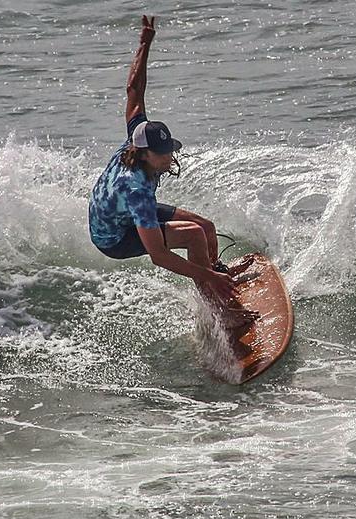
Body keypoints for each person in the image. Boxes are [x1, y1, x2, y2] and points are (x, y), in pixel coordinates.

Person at [88, 15, 255, 326]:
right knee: (193, 237)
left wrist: (144, 44)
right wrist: (204, 274)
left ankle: (217, 276)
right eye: (163, 155)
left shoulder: (138, 135)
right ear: (144, 154)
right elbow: (159, 256)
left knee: (204, 226)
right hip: (114, 236)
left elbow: (133, 90)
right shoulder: (135, 189)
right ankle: (219, 309)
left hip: (122, 210)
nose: (170, 158)